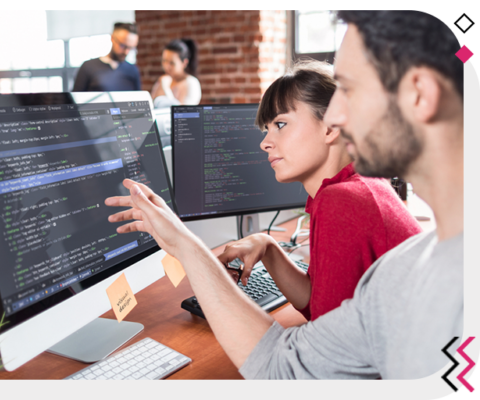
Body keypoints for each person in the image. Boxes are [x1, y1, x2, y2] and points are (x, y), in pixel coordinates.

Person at [105, 10, 463, 379]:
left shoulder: (347, 202)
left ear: (421, 93)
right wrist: (272, 249)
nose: (337, 115)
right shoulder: (361, 206)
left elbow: (295, 368)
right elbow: (325, 323)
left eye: (350, 90)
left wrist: (183, 242)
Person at [220, 60, 422, 322]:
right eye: (266, 129)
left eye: (280, 124)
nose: (264, 143)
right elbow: (317, 306)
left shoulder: (342, 201)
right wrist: (269, 247)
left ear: (331, 126)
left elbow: (327, 343)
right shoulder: (354, 185)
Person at [71, 22, 141, 92]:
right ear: (112, 38)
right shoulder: (88, 67)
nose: (126, 52)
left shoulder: (133, 70)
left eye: (131, 48)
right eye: (123, 46)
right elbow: (74, 100)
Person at [151, 39, 201, 106]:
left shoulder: (191, 83)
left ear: (184, 63)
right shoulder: (162, 80)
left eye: (172, 63)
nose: (166, 66)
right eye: (164, 61)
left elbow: (183, 113)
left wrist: (165, 88)